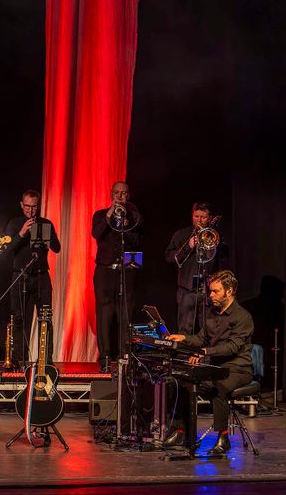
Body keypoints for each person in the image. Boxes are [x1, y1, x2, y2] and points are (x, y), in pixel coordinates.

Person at [163, 270, 254, 457]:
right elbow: (201, 338)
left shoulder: (242, 317)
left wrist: (205, 351)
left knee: (218, 389)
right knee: (183, 383)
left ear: (229, 292)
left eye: (216, 291)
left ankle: (224, 438)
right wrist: (183, 338)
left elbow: (233, 347)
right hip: (215, 368)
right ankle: (182, 433)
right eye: (210, 291)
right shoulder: (211, 314)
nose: (211, 295)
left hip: (238, 369)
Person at [3, 190, 60, 364]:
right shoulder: (14, 224)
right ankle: (19, 360)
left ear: (39, 206)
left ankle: (46, 361)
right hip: (20, 275)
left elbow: (57, 248)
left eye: (34, 206)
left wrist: (48, 238)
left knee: (45, 319)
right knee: (18, 318)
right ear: (22, 205)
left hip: (41, 276)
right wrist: (21, 233)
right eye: (27, 206)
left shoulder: (46, 223)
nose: (31, 210)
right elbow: (7, 250)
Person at [91, 181, 143, 372]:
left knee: (125, 314)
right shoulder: (100, 214)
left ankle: (125, 355)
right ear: (112, 194)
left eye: (124, 193)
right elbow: (96, 234)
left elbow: (138, 243)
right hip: (105, 271)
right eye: (117, 193)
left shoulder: (135, 217)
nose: (121, 197)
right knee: (104, 314)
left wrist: (128, 226)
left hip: (126, 270)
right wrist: (110, 214)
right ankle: (104, 357)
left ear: (128, 195)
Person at [164, 202, 229, 335]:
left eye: (203, 217)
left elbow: (224, 258)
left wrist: (217, 242)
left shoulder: (215, 235)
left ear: (210, 218)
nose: (199, 220)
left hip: (208, 289)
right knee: (185, 329)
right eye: (196, 216)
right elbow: (169, 257)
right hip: (186, 289)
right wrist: (188, 245)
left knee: (209, 329)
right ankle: (184, 355)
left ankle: (205, 356)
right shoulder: (181, 234)